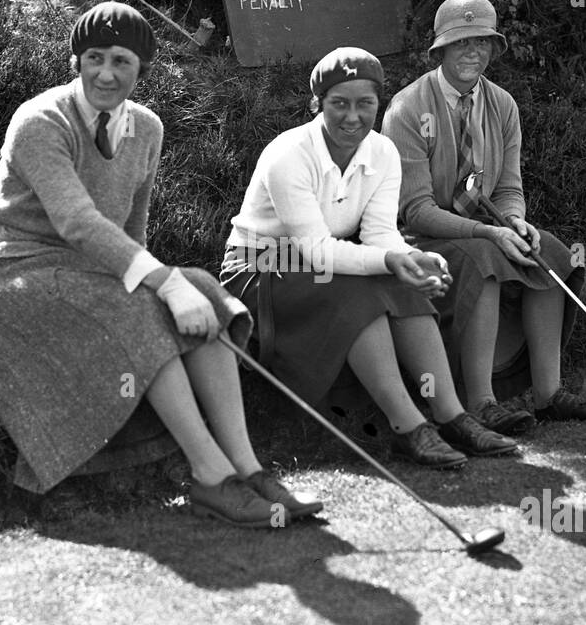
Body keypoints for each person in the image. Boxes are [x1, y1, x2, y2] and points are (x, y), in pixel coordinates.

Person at [0, 1, 321, 528]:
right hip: (10, 270)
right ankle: (211, 476)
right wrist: (160, 285)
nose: (106, 73)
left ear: (140, 70)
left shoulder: (146, 128)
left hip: (88, 268)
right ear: (76, 61)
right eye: (94, 57)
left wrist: (170, 283)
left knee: (205, 290)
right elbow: (78, 221)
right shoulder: (40, 121)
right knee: (147, 310)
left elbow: (131, 230)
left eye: (121, 61)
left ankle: (248, 468)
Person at [221, 47, 520, 469]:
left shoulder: (382, 152)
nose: (352, 116)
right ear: (316, 103)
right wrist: (389, 262)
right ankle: (407, 428)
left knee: (399, 284)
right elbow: (315, 248)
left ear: (378, 104)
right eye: (339, 103)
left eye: (365, 104)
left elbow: (380, 234)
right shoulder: (289, 153)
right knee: (358, 293)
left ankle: (452, 415)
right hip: (261, 269)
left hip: (322, 265)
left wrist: (411, 259)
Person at [382, 0, 586, 428]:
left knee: (548, 251)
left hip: (486, 226)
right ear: (440, 50)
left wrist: (514, 220)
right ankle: (481, 402)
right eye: (461, 43)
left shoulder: (503, 104)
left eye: (482, 42)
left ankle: (548, 394)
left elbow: (508, 186)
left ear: (493, 48)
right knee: (486, 260)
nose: (473, 52)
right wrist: (490, 234)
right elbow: (415, 210)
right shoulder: (408, 109)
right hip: (423, 235)